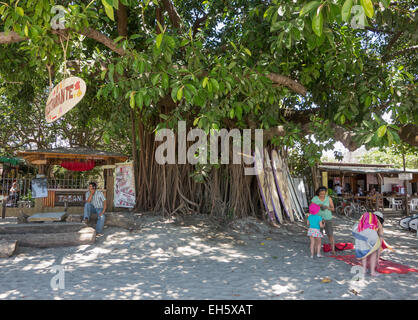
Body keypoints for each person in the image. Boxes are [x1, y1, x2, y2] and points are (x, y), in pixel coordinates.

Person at [354, 211, 384, 277]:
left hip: (358, 233)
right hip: (370, 234)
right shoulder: (378, 222)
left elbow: (359, 225)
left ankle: (364, 270)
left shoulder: (365, 216)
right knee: (373, 252)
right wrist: (377, 259)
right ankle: (372, 272)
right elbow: (379, 244)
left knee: (364, 251)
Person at [311, 186, 336, 255]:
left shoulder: (328, 198)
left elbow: (333, 209)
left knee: (330, 234)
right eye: (321, 194)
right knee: (318, 235)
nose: (322, 195)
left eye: (324, 194)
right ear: (318, 193)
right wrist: (317, 206)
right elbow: (311, 209)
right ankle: (316, 249)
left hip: (328, 218)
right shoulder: (315, 199)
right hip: (317, 219)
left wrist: (327, 207)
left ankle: (333, 249)